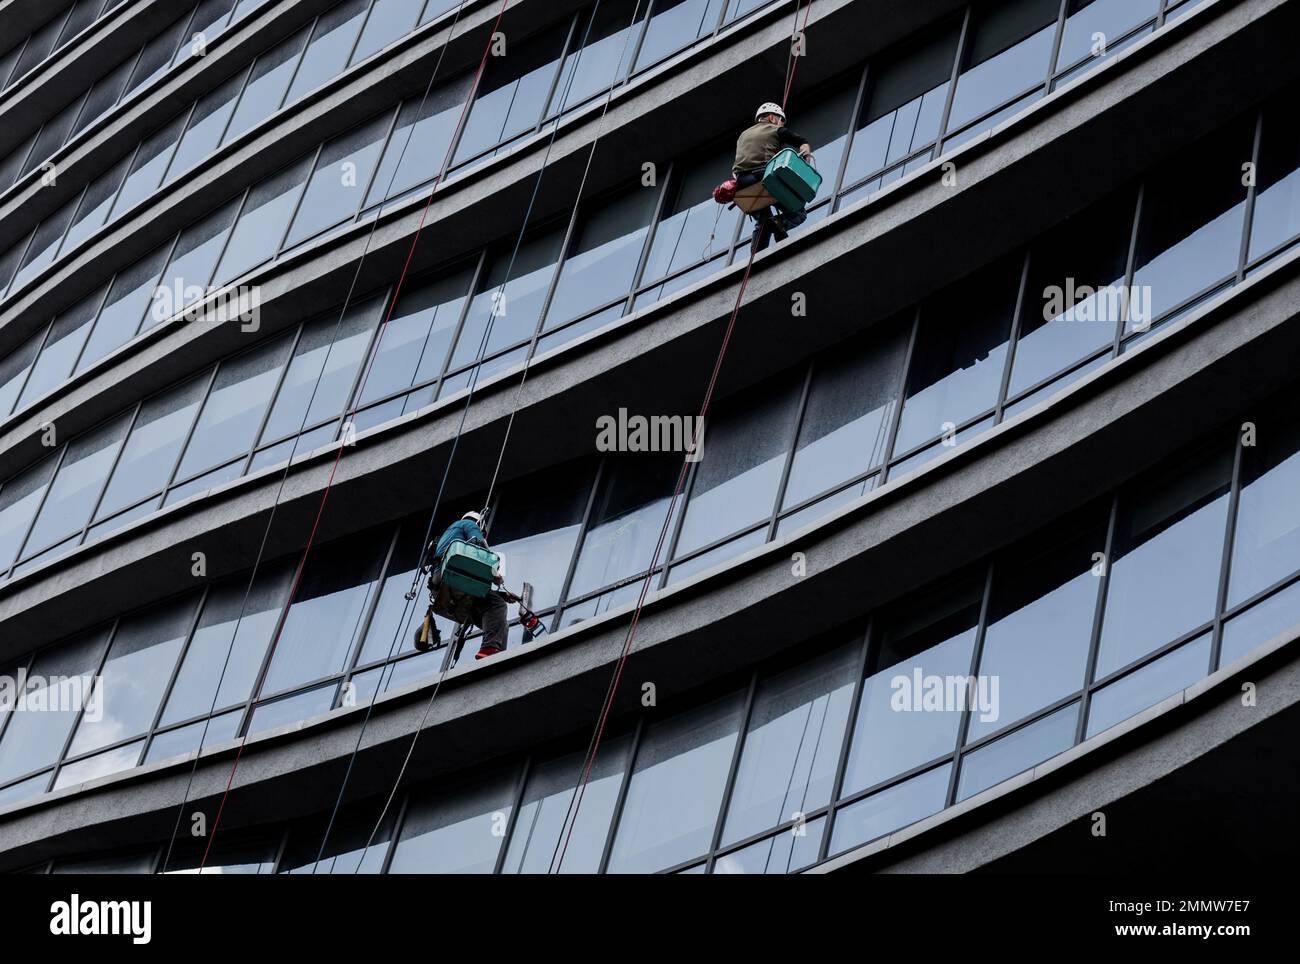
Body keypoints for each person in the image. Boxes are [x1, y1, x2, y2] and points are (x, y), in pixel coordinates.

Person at [732, 101, 815, 253]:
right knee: (799, 213)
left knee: (762, 222)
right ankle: (780, 224)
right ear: (772, 118)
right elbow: (800, 141)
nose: (781, 124)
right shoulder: (774, 129)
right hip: (764, 176)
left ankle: (756, 257)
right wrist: (806, 152)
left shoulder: (743, 135)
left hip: (742, 183)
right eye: (780, 120)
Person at [428, 509, 508, 660]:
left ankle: (494, 650)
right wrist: (495, 572)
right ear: (479, 523)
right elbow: (478, 543)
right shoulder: (468, 524)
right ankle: (490, 648)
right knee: (498, 605)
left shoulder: (444, 537)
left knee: (493, 618)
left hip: (439, 584)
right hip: (456, 576)